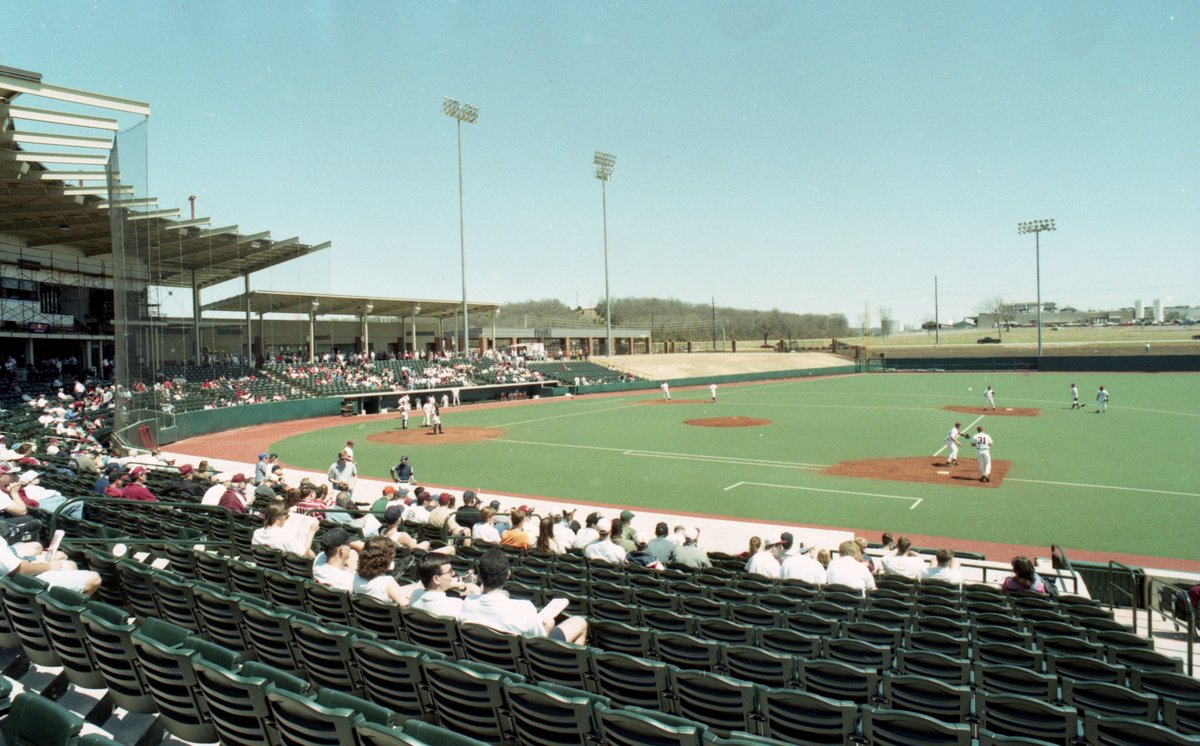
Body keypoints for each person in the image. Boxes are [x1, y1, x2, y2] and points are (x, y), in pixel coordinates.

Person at [460, 549, 587, 643]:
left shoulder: (467, 603)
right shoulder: (524, 608)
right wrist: (548, 627)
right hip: (526, 661)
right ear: (508, 575)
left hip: (486, 658)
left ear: (480, 577)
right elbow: (540, 643)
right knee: (580, 622)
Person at [0, 534, 101, 595]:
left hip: (9, 577)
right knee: (93, 578)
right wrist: (48, 566)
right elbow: (21, 570)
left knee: (65, 561)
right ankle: (64, 617)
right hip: (15, 584)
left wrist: (33, 560)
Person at [352, 536, 422, 605]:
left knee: (416, 586)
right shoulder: (386, 582)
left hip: (367, 611)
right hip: (384, 613)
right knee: (419, 589)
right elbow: (405, 604)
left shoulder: (357, 576)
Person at [409, 553, 480, 619]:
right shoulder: (456, 604)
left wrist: (451, 585)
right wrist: (473, 589)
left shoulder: (415, 596)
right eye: (450, 572)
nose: (454, 573)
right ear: (436, 579)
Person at [252, 502, 317, 557]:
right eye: (287, 516)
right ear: (280, 517)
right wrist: (312, 532)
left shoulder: (257, 533)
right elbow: (305, 555)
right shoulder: (287, 535)